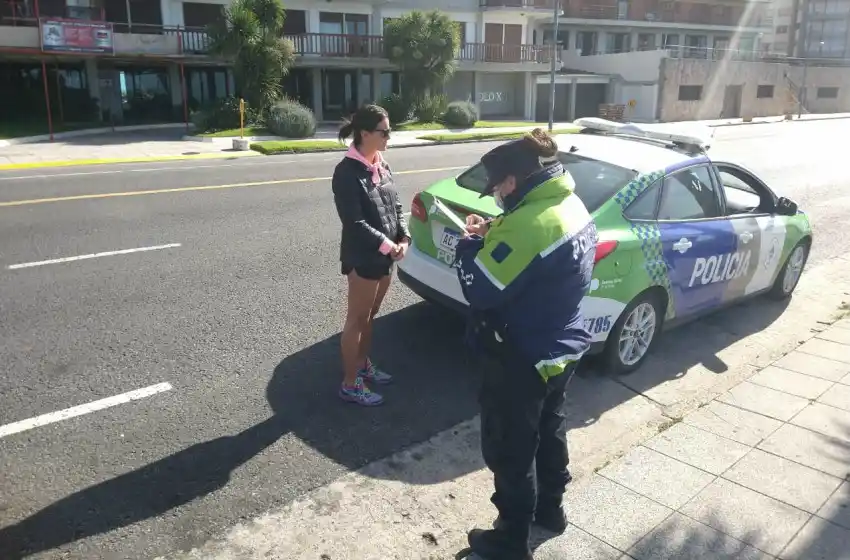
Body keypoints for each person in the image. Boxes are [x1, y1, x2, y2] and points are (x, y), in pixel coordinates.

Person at [453, 129, 598, 560]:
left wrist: (468, 244)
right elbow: (537, 254)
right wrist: (494, 231)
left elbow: (480, 288)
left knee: (511, 446)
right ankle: (551, 510)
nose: (496, 195)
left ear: (512, 181)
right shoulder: (568, 203)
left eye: (497, 187)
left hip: (522, 354)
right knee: (549, 430)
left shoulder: (528, 224)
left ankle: (510, 538)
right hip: (562, 345)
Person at [332, 104, 410, 406]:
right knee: (357, 319)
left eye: (389, 131)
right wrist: (389, 245)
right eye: (384, 132)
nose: (389, 137)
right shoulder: (346, 172)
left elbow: (396, 206)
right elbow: (354, 222)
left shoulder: (382, 164)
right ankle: (350, 384)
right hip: (363, 257)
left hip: (386, 256)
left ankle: (362, 364)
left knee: (370, 316)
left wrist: (404, 237)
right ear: (365, 133)